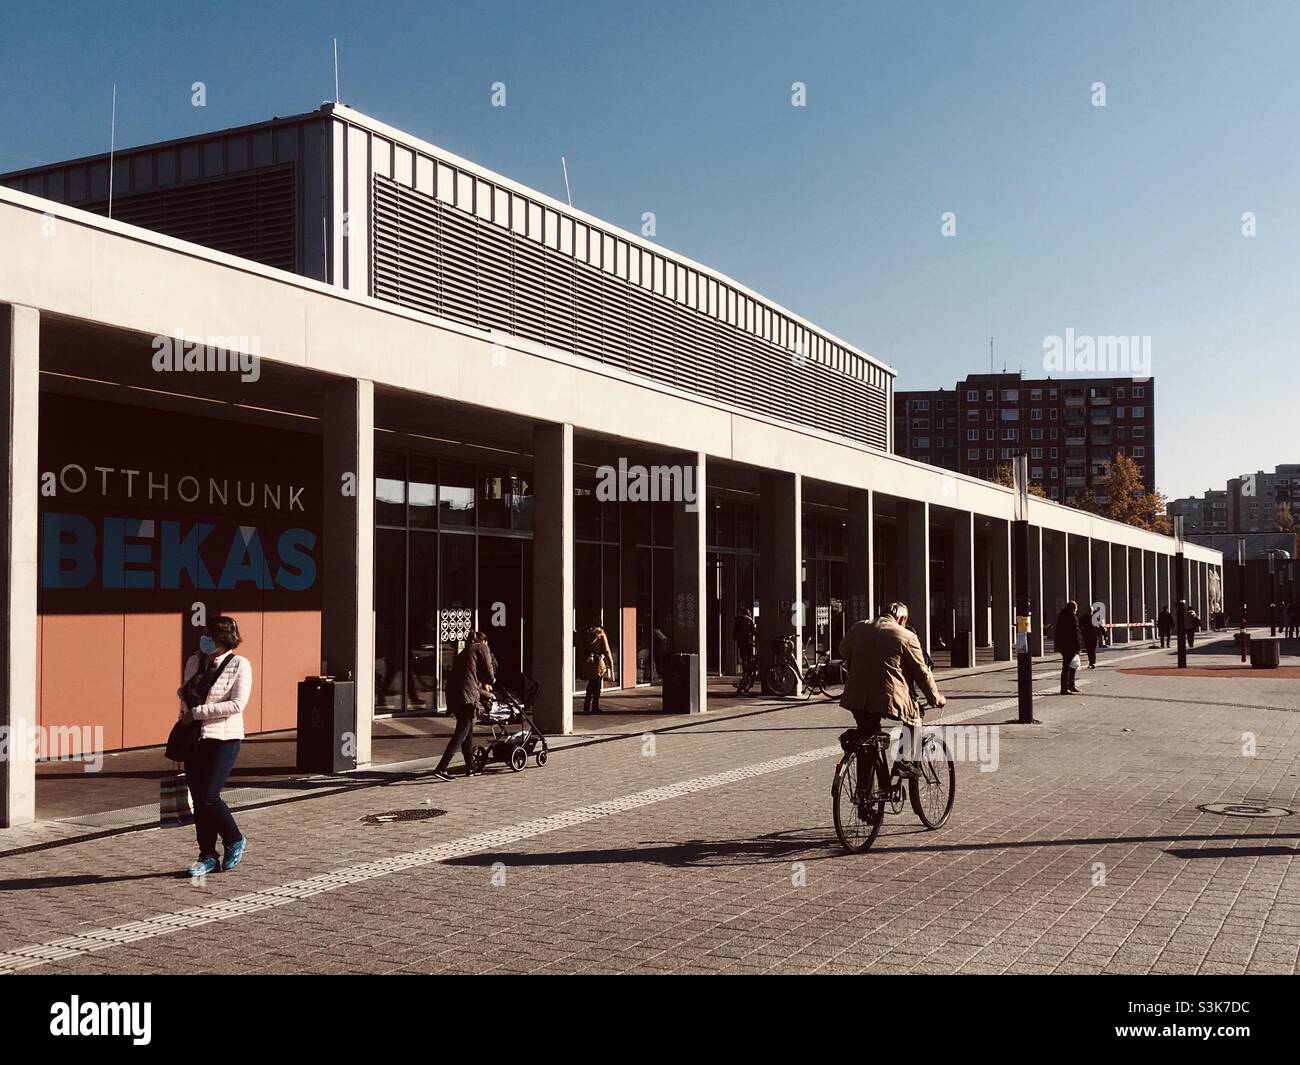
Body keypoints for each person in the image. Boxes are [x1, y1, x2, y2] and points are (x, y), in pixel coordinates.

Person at [177, 616, 252, 878]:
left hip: (224, 739)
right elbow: (186, 696)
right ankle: (207, 855)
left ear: (223, 640)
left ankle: (234, 838)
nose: (204, 640)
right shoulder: (194, 661)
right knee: (199, 801)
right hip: (194, 738)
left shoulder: (240, 665)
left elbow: (236, 705)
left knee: (209, 795)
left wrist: (197, 713)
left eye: (210, 636)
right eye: (204, 634)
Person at [839, 602, 945, 778]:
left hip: (855, 696)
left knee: (868, 740)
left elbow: (843, 650)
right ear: (902, 618)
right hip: (887, 697)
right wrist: (935, 698)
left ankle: (865, 796)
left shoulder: (859, 628)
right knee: (915, 718)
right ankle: (902, 762)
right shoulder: (906, 636)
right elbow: (922, 672)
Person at [433, 631, 494, 781]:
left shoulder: (463, 654)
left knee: (467, 733)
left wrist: (486, 694)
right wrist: (491, 680)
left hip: (456, 698)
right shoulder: (481, 648)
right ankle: (442, 768)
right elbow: (488, 669)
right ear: (483, 641)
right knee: (461, 734)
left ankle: (470, 767)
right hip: (466, 700)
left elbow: (470, 684)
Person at [579, 624, 614, 714]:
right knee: (597, 686)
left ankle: (586, 706)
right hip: (598, 664)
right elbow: (607, 651)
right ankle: (595, 706)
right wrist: (611, 664)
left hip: (588, 663)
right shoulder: (601, 635)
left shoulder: (586, 634)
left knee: (590, 685)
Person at [1054, 600, 1083, 695]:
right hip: (1070, 646)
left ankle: (1070, 685)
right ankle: (1065, 687)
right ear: (1074, 608)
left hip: (1063, 645)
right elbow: (1076, 633)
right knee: (1068, 667)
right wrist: (1078, 646)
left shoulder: (1061, 616)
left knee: (1071, 666)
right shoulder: (1072, 617)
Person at [732, 608, 756, 681]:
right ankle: (749, 674)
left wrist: (738, 640)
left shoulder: (738, 620)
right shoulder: (750, 620)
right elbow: (754, 631)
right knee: (749, 658)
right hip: (749, 642)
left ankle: (745, 673)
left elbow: (734, 632)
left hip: (741, 642)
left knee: (743, 658)